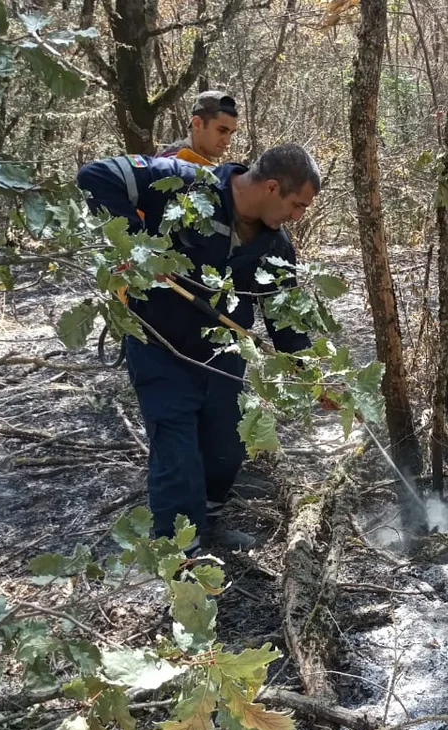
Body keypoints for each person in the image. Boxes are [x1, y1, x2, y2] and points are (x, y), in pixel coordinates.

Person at [77, 144, 321, 552]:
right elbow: (96, 175)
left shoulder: (276, 245)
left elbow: (285, 318)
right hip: (159, 345)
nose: (297, 217)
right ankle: (180, 556)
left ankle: (208, 522)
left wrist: (311, 372)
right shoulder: (186, 184)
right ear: (273, 187)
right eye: (296, 205)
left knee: (226, 444)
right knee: (177, 450)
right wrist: (136, 249)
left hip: (224, 355)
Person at [157, 90, 240, 164]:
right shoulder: (171, 164)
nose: (227, 141)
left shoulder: (204, 164)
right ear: (197, 124)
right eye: (222, 130)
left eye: (231, 133)